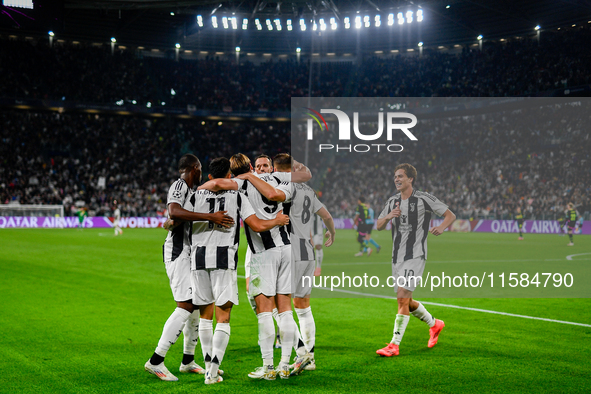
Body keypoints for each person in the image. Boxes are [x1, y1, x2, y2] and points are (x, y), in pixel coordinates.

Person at [190, 157, 290, 384]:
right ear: (229, 177)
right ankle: (212, 373)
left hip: (198, 259)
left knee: (205, 316)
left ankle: (207, 365)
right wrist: (276, 220)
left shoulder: (196, 195)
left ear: (209, 176)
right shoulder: (238, 195)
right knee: (223, 317)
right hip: (224, 258)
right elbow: (256, 225)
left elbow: (177, 219)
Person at [145, 154, 234, 382]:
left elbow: (174, 219)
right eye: (200, 169)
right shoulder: (179, 185)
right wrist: (209, 216)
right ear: (193, 168)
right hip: (177, 251)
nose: (201, 173)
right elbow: (174, 212)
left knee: (195, 305)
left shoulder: (191, 191)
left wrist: (174, 221)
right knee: (185, 305)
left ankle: (187, 360)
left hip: (189, 252)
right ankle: (156, 360)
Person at [230, 153, 313, 380]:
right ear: (253, 167)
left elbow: (223, 185)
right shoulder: (280, 178)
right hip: (286, 249)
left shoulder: (241, 185)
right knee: (285, 308)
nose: (263, 168)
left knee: (265, 311)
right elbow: (306, 175)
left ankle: (268, 367)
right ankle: (286, 364)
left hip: (263, 254)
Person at [375, 163, 456, 357]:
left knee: (402, 297)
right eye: (395, 176)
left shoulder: (423, 198)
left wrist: (442, 227)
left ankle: (394, 345)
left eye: (401, 176)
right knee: (405, 300)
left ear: (410, 179)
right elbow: (378, 225)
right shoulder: (392, 201)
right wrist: (388, 216)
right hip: (396, 257)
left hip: (415, 255)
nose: (397, 179)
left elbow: (450, 215)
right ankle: (435, 324)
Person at [285, 158, 336, 372]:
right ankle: (310, 357)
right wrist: (331, 232)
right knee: (303, 305)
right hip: (307, 253)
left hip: (289, 251)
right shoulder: (309, 192)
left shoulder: (286, 187)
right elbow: (327, 216)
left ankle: (300, 354)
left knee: (281, 305)